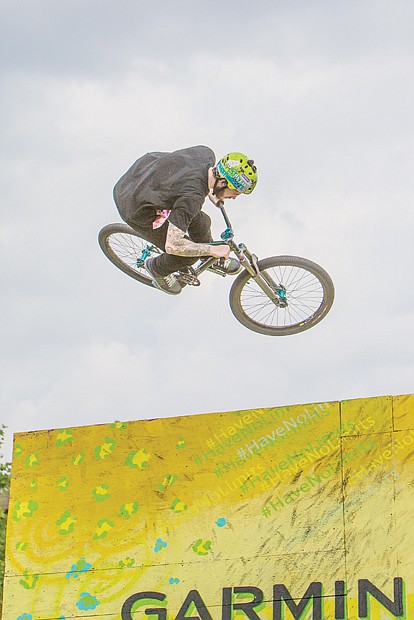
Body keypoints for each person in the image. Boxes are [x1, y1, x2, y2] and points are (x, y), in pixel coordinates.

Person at [113, 146, 258, 294]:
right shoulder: (192, 198)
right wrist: (213, 249)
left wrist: (209, 191)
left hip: (144, 171)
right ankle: (155, 268)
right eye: (235, 192)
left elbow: (187, 175)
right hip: (133, 205)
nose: (234, 197)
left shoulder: (205, 154)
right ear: (222, 182)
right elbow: (173, 245)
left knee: (202, 222)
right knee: (185, 257)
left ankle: (208, 259)